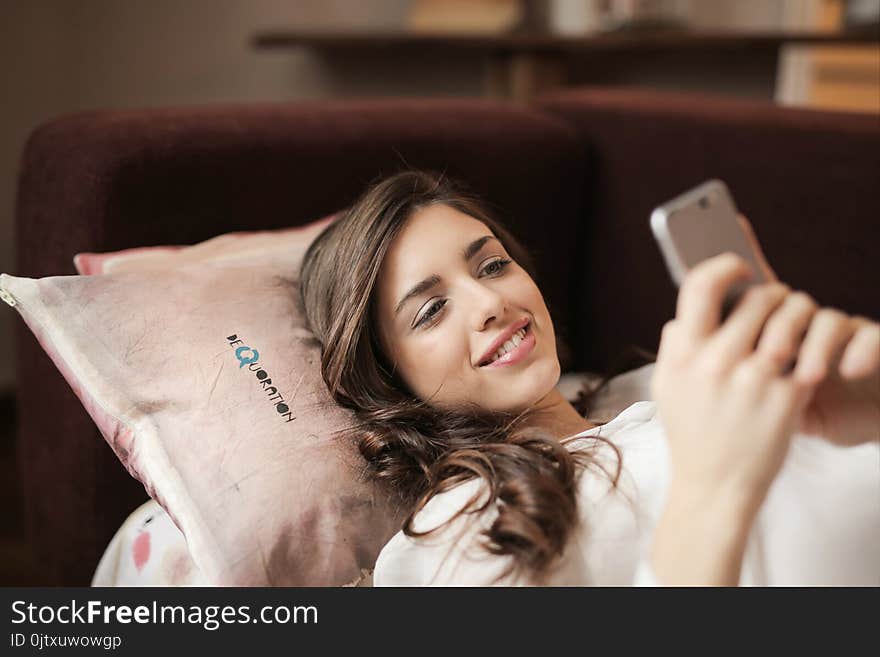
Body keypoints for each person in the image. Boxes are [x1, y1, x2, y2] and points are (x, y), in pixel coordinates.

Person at [298, 169, 880, 586]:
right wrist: (713, 488)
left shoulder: (663, 382)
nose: (489, 301)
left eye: (494, 265)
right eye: (430, 310)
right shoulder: (461, 529)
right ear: (387, 380)